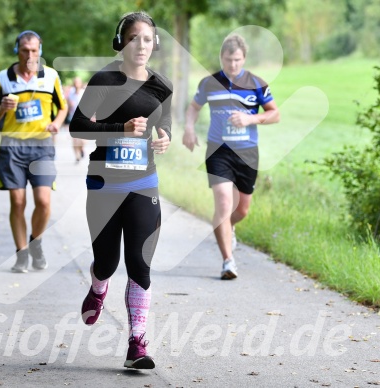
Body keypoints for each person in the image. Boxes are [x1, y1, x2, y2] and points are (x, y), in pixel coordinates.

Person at [69, 11, 171, 370]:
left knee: (139, 265)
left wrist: (165, 138)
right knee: (108, 261)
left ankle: (137, 343)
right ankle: (98, 287)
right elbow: (77, 127)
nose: (140, 45)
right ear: (122, 41)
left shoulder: (161, 85)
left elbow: (165, 121)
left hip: (144, 184)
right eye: (133, 38)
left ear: (154, 43)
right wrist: (120, 129)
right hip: (104, 184)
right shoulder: (105, 79)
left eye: (147, 39)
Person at [182, 34, 280, 280]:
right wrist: (189, 128)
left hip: (247, 152)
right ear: (221, 58)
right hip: (218, 151)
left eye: (237, 60)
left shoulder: (257, 84)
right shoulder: (209, 83)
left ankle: (229, 227)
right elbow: (194, 107)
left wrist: (251, 118)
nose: (233, 65)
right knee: (224, 203)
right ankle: (228, 261)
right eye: (228, 60)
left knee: (242, 210)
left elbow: (275, 114)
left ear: (244, 58)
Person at [0, 30, 68, 273]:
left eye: (34, 50)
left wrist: (56, 124)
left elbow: (63, 108)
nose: (29, 55)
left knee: (43, 201)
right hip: (12, 146)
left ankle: (36, 242)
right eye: (24, 50)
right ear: (17, 50)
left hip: (41, 146)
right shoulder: (3, 78)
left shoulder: (51, 76)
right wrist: (2, 107)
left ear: (40, 51)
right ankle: (21, 255)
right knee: (17, 200)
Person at [66, 77, 87, 162]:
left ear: (80, 83)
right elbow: (66, 106)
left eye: (78, 82)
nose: (76, 84)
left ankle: (81, 149)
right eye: (75, 82)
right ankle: (77, 156)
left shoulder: (84, 93)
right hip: (72, 118)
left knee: (83, 140)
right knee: (74, 139)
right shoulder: (71, 93)